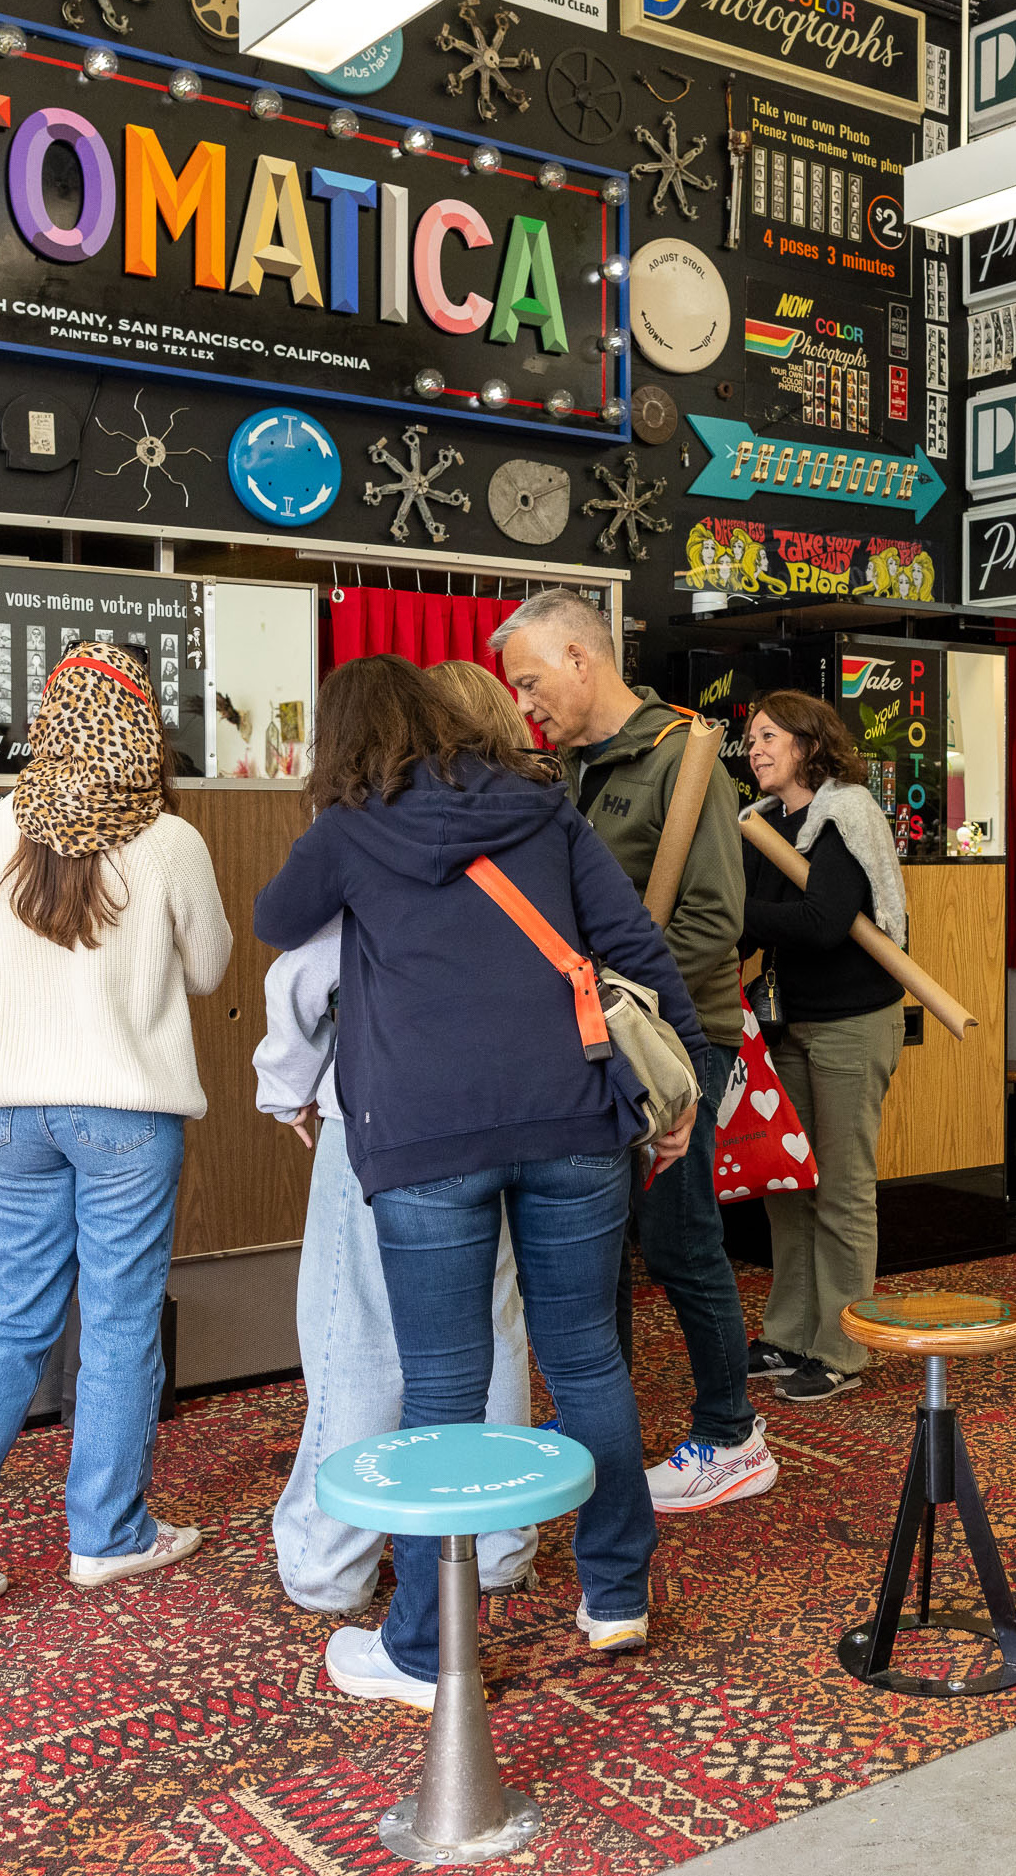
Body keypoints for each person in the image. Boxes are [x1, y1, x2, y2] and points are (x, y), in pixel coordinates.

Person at [255, 653, 705, 1705]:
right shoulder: (544, 812)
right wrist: (680, 1103)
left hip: (423, 1139)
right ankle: (615, 1594)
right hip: (571, 1122)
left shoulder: (348, 830)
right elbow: (636, 945)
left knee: (443, 1396)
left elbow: (281, 923)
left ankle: (420, 1648)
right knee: (584, 1360)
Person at [0, 641, 232, 1606]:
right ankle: (108, 1534)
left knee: (12, 1319)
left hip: (6, 1110)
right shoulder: (168, 840)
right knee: (119, 1325)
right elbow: (207, 969)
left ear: (48, 724)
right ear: (139, 730)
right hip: (126, 1116)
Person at [255, 660, 538, 1619]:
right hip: (512, 1115)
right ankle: (498, 1540)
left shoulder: (378, 828)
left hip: (383, 1121)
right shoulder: (533, 824)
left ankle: (331, 1560)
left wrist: (285, 1086)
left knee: (356, 1333)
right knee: (491, 1329)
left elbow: (303, 975)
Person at [493, 591, 777, 1515]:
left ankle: (732, 1434)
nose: (525, 703)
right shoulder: (570, 769)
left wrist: (628, 1017)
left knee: (681, 1239)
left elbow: (709, 924)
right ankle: (590, 1423)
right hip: (588, 1041)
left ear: (581, 658)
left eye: (532, 681)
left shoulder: (683, 759)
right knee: (596, 1244)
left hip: (670, 1043)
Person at [741, 691, 907, 1402]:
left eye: (769, 735)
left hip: (850, 1022)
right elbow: (754, 931)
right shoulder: (760, 821)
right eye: (750, 737)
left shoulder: (846, 813)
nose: (755, 748)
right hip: (787, 1023)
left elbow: (822, 920)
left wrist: (726, 909)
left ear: (808, 744)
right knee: (788, 1185)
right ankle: (788, 1333)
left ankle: (841, 1344)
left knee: (840, 1188)